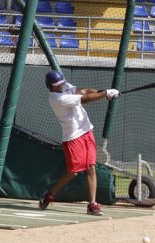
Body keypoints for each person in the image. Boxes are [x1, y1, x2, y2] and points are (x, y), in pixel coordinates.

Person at [38, 70, 119, 216]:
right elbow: (84, 99)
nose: (62, 86)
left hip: (87, 131)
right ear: (50, 87)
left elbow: (85, 91)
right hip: (73, 137)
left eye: (62, 83)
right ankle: (49, 195)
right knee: (73, 172)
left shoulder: (65, 86)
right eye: (58, 85)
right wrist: (105, 93)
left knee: (91, 168)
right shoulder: (57, 98)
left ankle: (92, 204)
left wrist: (103, 92)